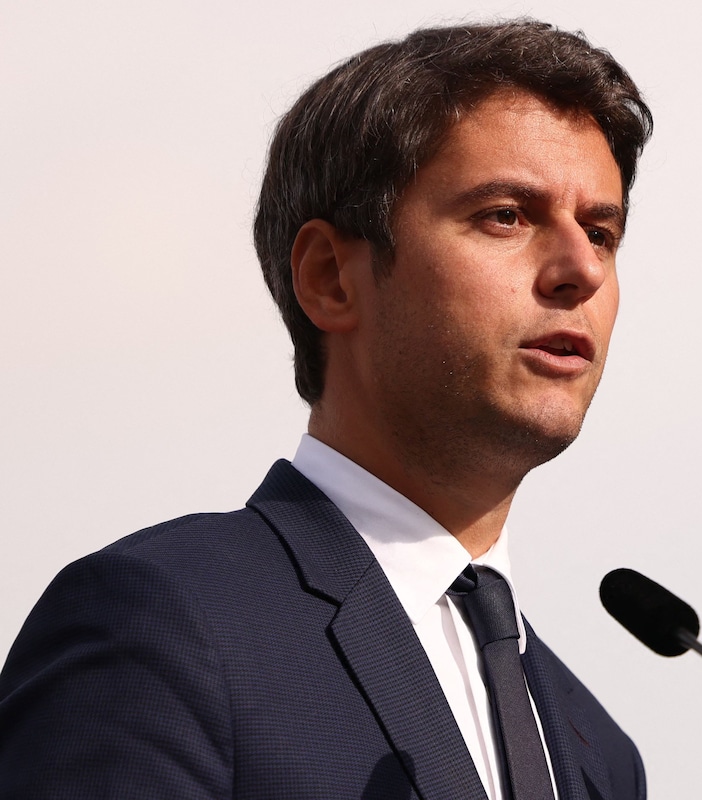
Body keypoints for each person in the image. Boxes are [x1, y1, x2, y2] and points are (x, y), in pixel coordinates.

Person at [0, 19, 652, 800]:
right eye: (506, 215)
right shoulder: (163, 625)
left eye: (602, 231)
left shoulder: (598, 753)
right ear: (330, 279)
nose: (580, 268)